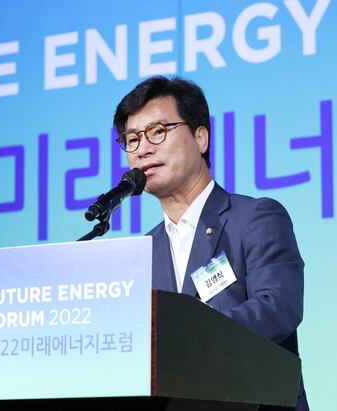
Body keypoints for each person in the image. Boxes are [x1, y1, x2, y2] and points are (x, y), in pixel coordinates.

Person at [113, 76, 308, 411]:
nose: (143, 149)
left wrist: (189, 335)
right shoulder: (143, 252)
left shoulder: (255, 218)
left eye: (158, 131)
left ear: (200, 138)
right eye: (132, 139)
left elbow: (279, 306)